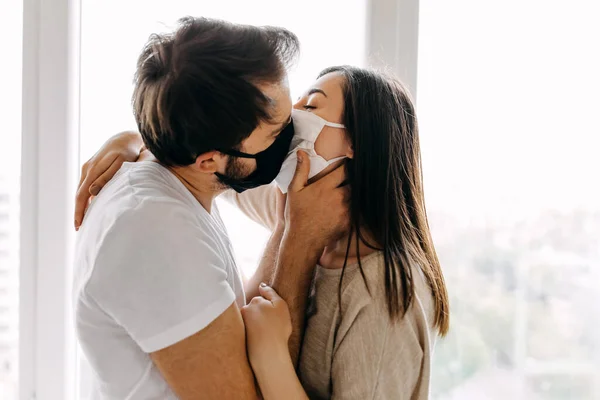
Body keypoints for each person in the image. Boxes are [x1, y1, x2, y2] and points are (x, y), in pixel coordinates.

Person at [78, 66, 450, 398]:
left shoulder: (383, 295)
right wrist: (137, 140)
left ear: (356, 141)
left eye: (312, 106)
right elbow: (213, 162)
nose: (290, 118)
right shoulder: (290, 204)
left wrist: (271, 356)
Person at [72, 17, 348, 400]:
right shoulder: (156, 231)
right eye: (276, 133)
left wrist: (290, 223)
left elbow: (232, 321)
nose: (292, 138)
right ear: (209, 160)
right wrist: (300, 240)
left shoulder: (181, 182)